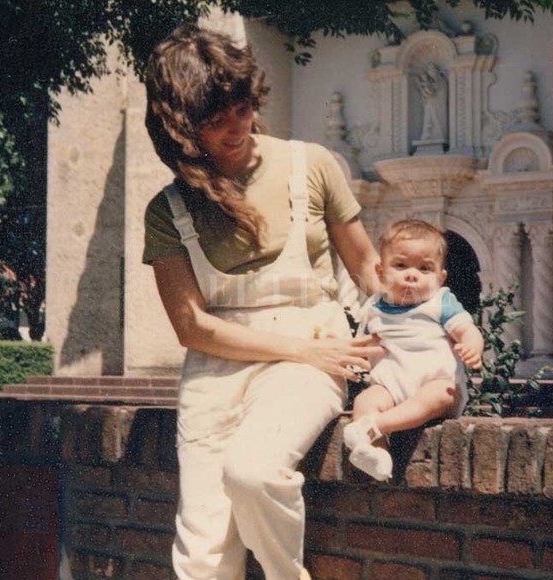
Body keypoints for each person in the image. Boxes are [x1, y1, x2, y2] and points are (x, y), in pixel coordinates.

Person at [142, 24, 383, 580]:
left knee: (252, 471)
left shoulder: (313, 165)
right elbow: (192, 327)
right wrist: (299, 350)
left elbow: (369, 269)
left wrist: (433, 321)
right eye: (215, 120)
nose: (236, 129)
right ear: (182, 127)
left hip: (314, 351)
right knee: (201, 556)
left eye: (242, 108)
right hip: (216, 370)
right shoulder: (169, 210)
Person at [343, 219, 485, 481]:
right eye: (401, 265)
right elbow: (366, 345)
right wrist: (365, 351)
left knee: (438, 395)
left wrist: (472, 346)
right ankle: (377, 453)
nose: (412, 274)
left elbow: (467, 329)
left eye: (424, 269)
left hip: (435, 383)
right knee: (366, 400)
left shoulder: (441, 302)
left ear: (440, 277)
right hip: (390, 387)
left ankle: (374, 427)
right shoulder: (374, 307)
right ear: (381, 271)